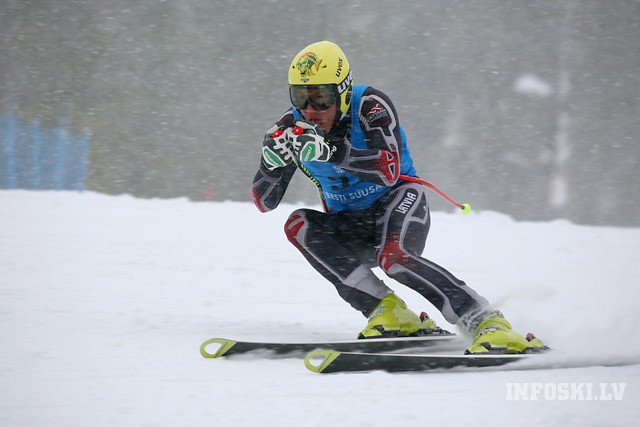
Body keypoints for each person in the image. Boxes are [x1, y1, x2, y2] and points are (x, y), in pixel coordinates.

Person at [252, 41, 545, 354]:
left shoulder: (370, 105)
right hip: (352, 224)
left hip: (398, 204)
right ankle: (389, 311)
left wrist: (331, 150)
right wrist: (271, 164)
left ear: (344, 92)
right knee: (298, 224)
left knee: (393, 258)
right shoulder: (291, 128)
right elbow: (264, 202)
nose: (310, 109)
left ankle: (487, 321)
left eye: (321, 97)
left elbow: (388, 169)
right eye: (300, 97)